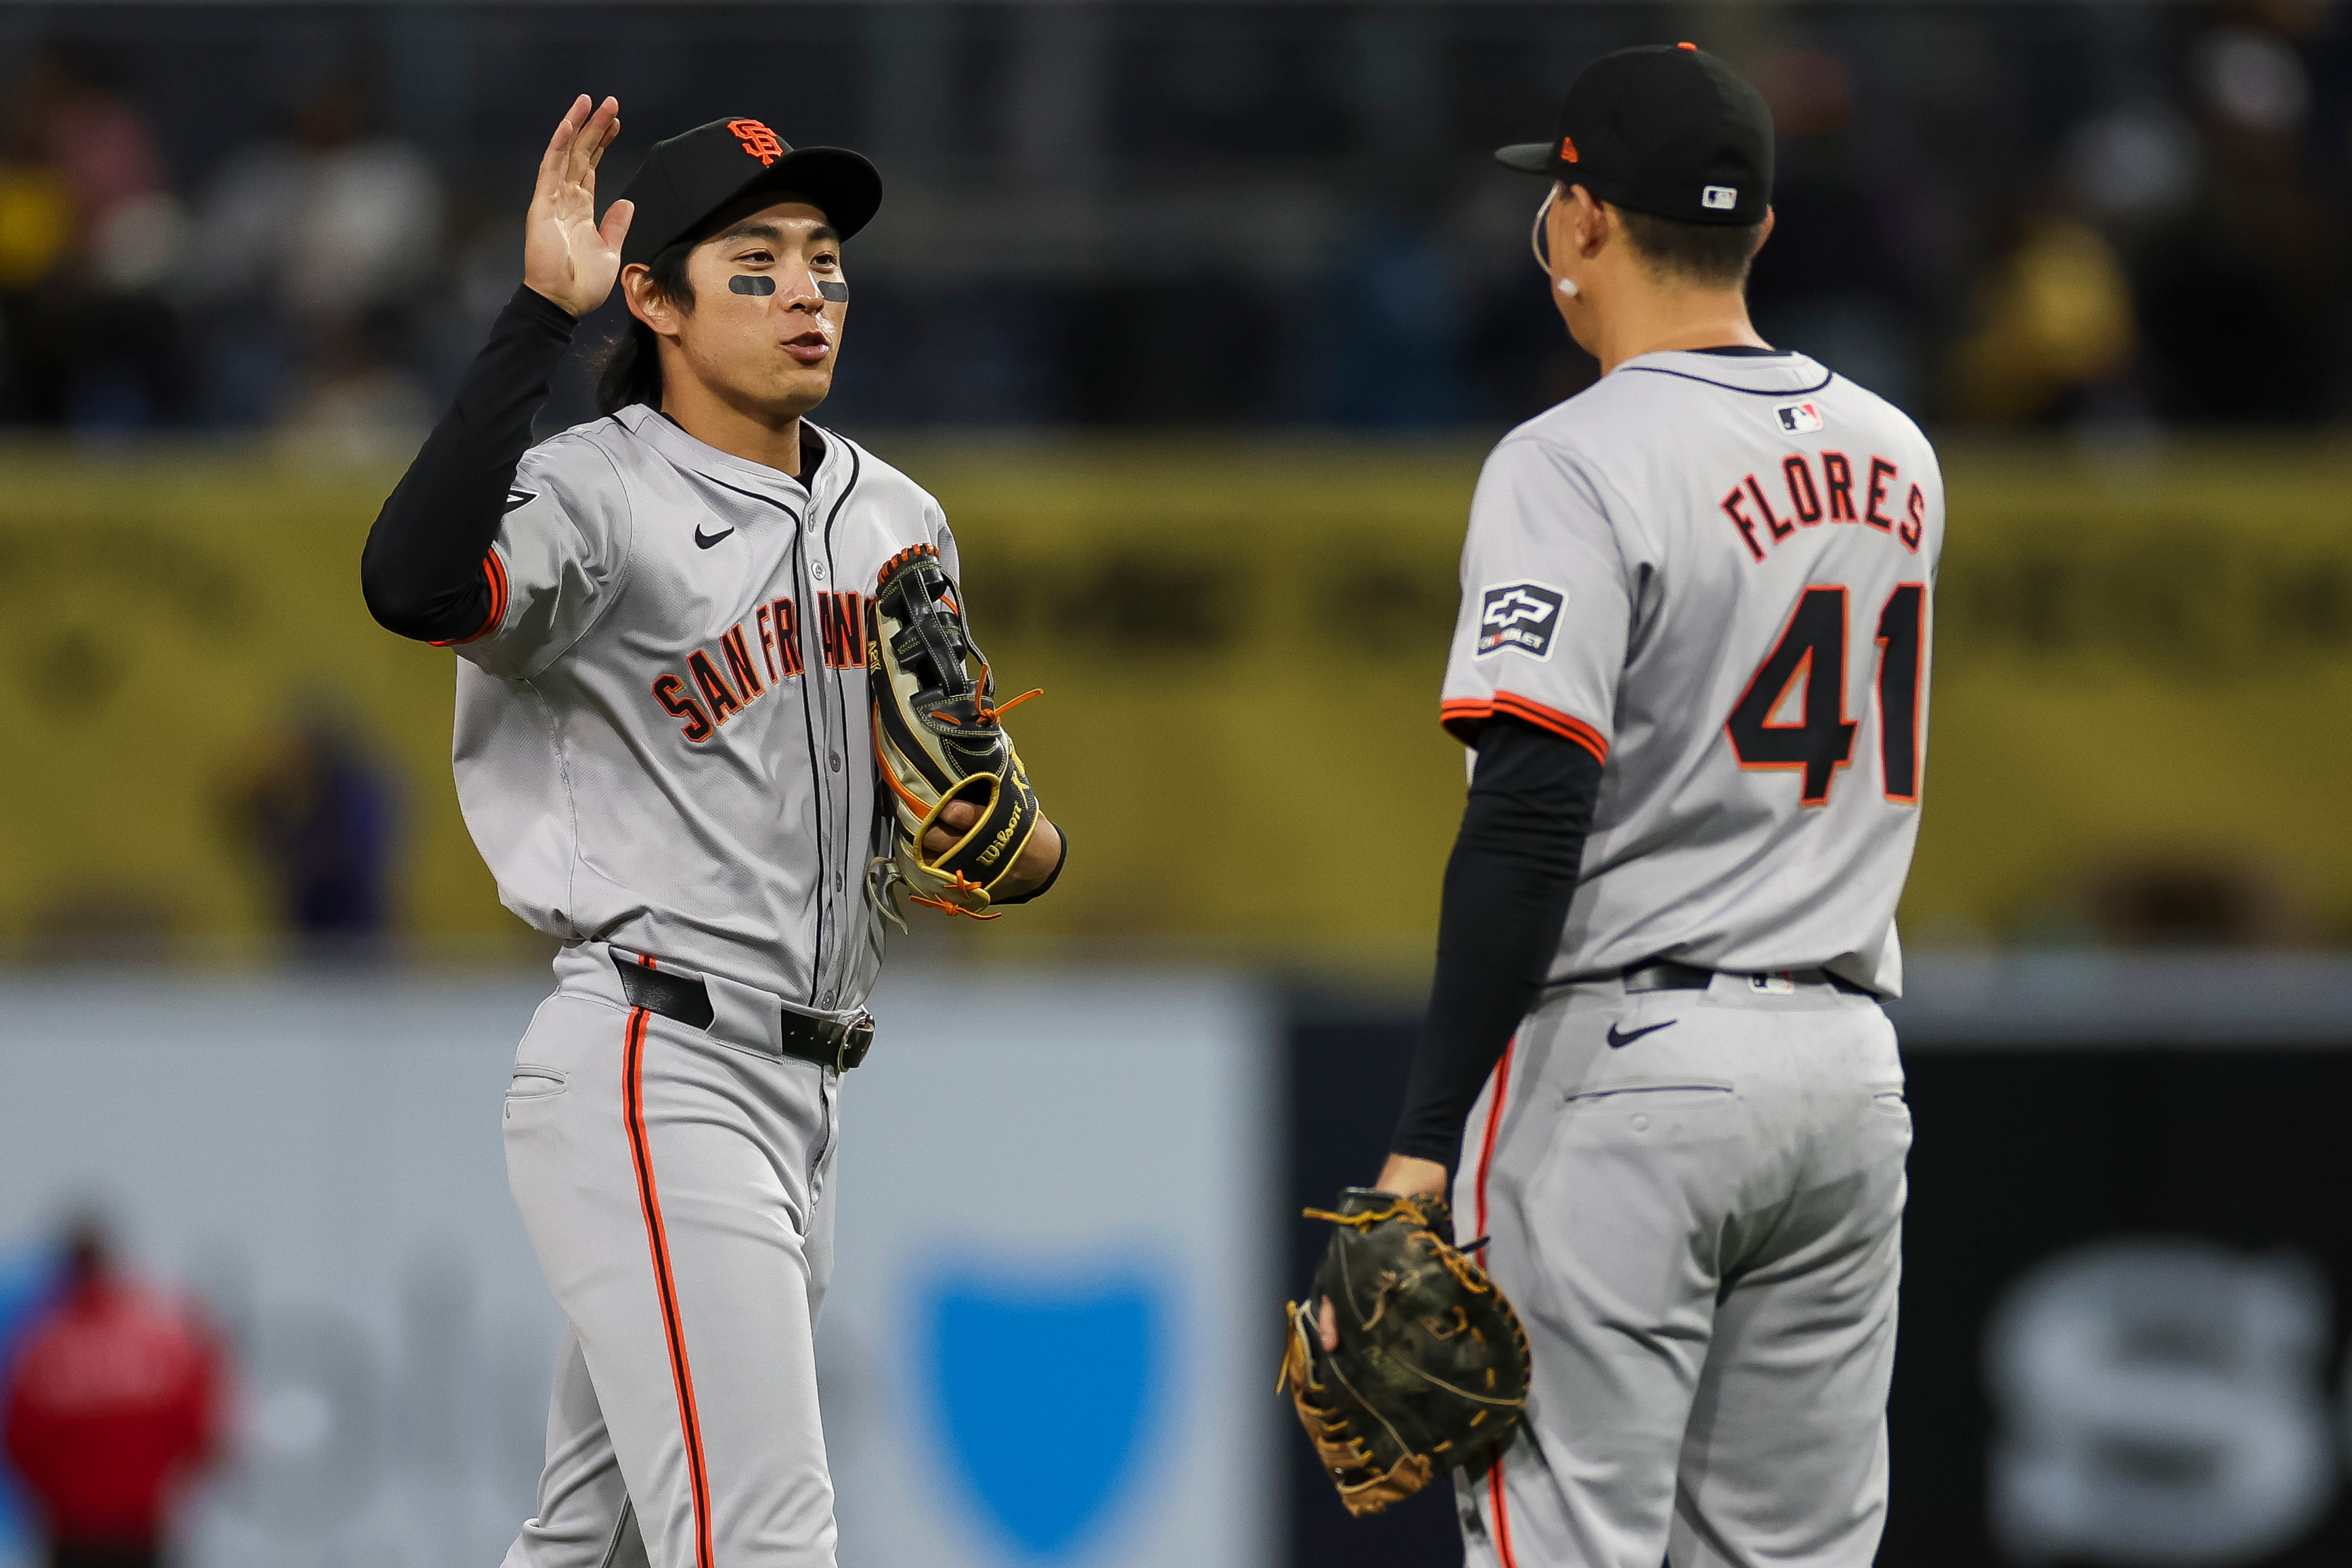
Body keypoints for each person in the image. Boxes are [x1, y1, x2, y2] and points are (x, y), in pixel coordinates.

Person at [358, 97, 1065, 1568]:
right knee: (762, 1538)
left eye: (825, 262)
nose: (809, 290)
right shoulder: (594, 495)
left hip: (805, 1092)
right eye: (756, 263)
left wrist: (1016, 835)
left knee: (587, 1542)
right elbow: (414, 584)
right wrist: (530, 324)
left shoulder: (897, 518)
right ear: (653, 298)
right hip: (652, 1060)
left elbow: (994, 828)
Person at [1336, 44, 1940, 1567]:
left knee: (1569, 1545)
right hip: (1849, 1066)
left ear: (1585, 222)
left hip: (1634, 1065)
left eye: (1555, 202)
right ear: (1760, 232)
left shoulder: (1573, 457)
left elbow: (1532, 810)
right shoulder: (1899, 455)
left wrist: (1420, 1138)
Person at [1, 1219, 224, 1568]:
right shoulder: (165, 1341)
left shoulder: (38, 1349)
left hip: (71, 1535)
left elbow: (18, 1442)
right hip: (143, 1530)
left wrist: (63, 1500)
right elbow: (199, 1430)